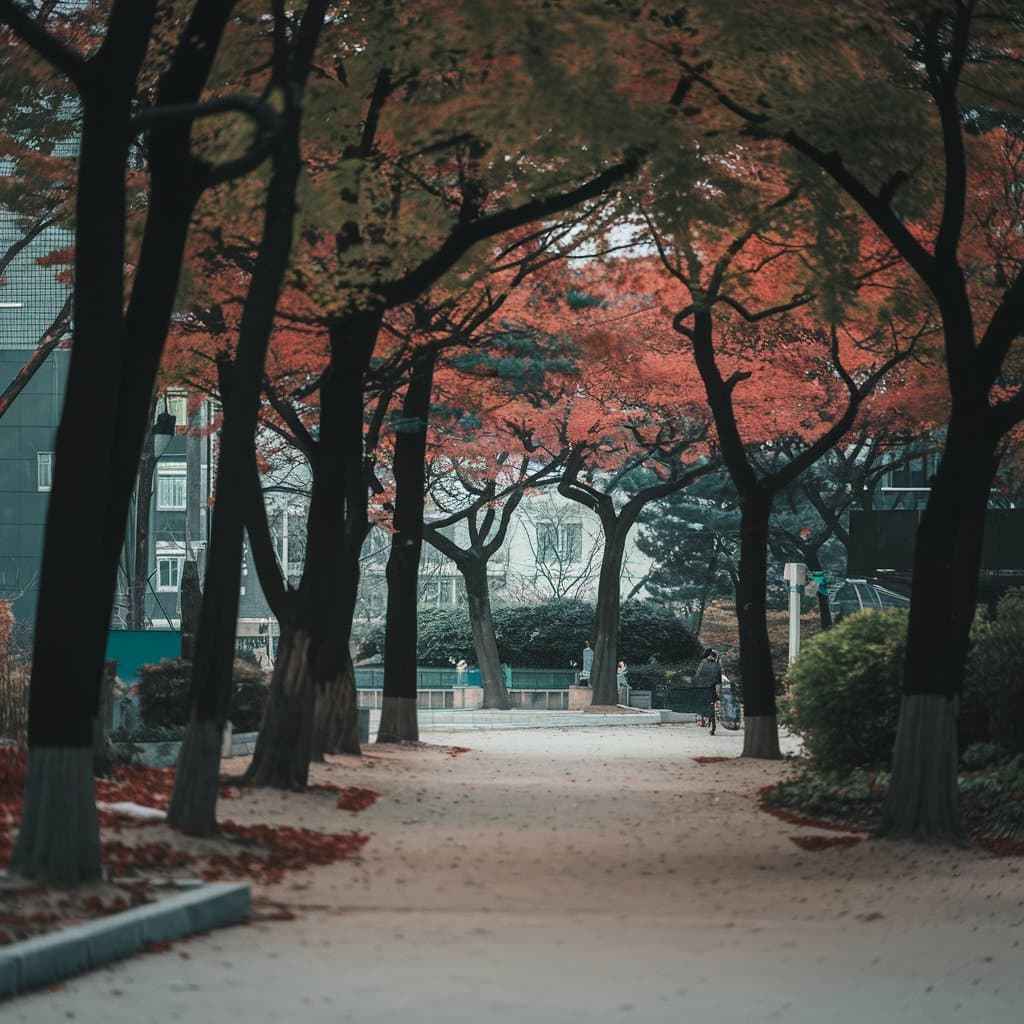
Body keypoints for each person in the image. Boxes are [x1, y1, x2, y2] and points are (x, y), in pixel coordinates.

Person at [693, 648, 723, 735]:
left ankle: (704, 720)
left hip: (703, 689)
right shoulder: (717, 666)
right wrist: (718, 694)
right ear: (716, 657)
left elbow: (697, 676)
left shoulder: (702, 663)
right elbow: (718, 682)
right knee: (711, 708)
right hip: (711, 690)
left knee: (705, 706)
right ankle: (713, 728)